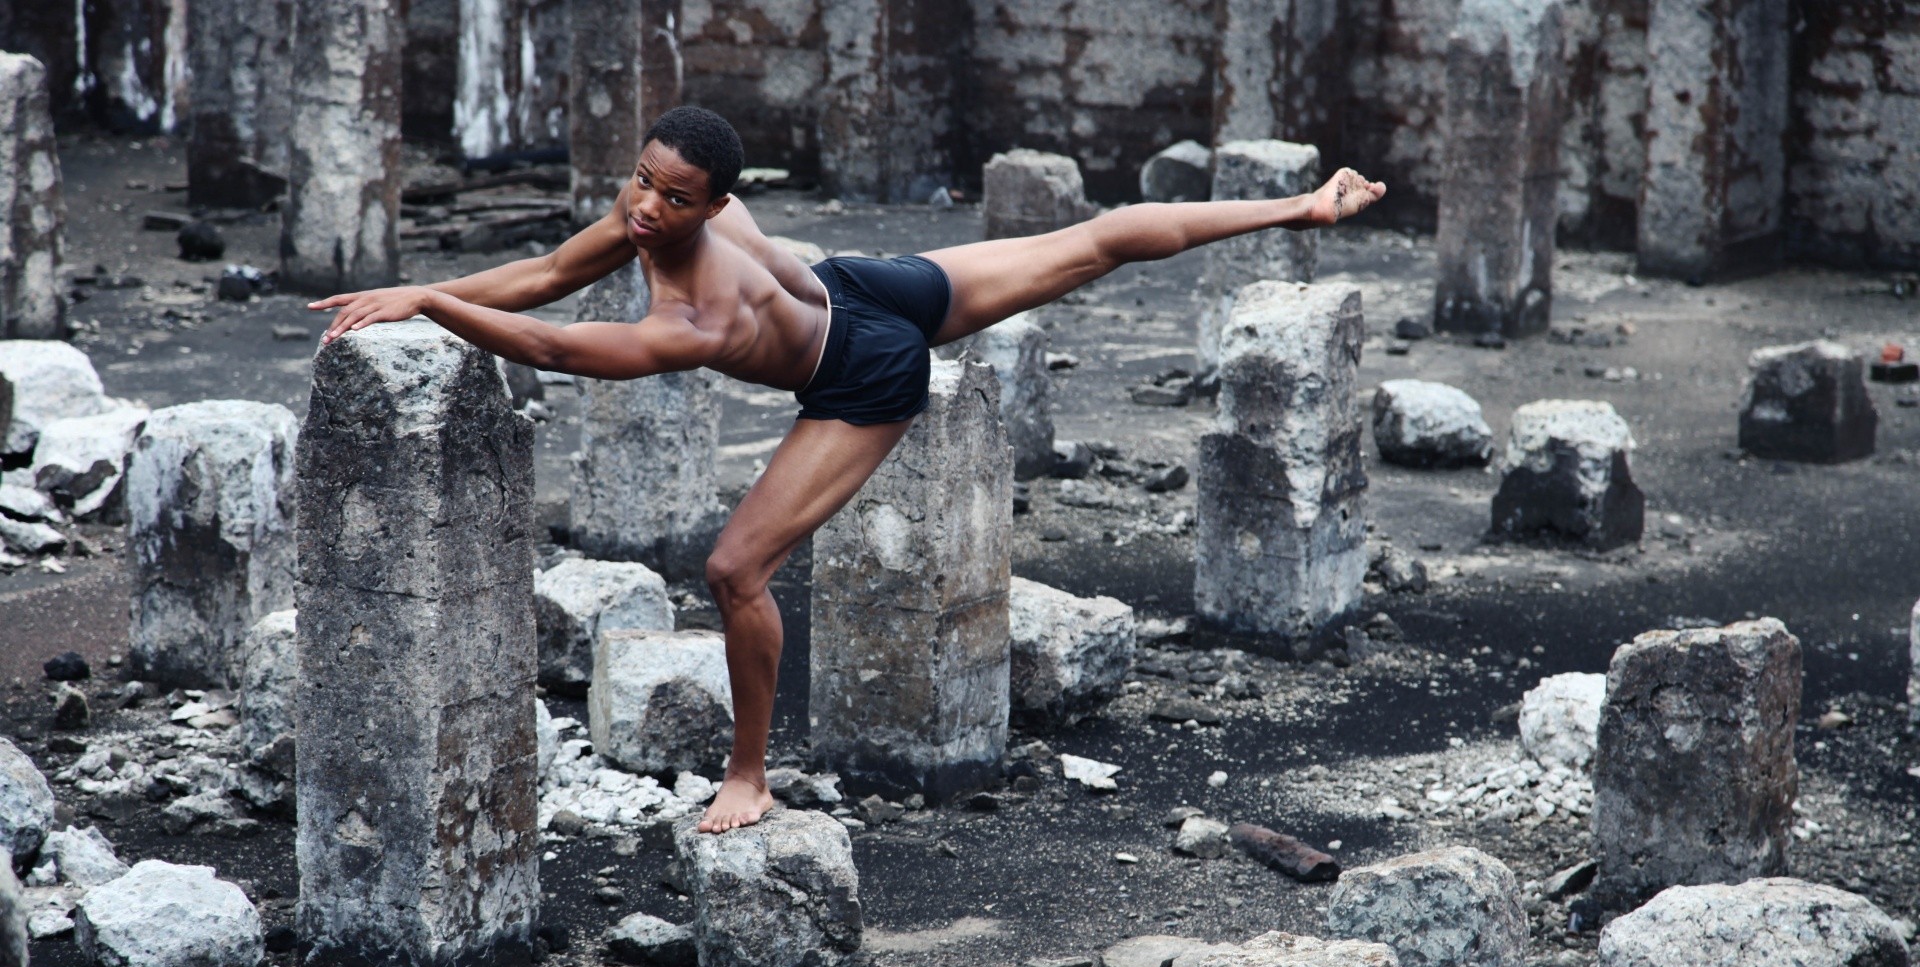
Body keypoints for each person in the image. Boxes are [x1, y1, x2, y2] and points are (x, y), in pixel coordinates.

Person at [311, 105, 1387, 835]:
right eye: (640, 183)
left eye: (673, 198)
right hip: (855, 281)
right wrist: (432, 287)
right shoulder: (678, 205)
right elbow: (550, 273)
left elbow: (546, 345)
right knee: (1094, 239)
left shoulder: (701, 315)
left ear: (715, 201)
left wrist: (435, 304)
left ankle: (749, 775)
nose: (644, 209)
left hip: (866, 360)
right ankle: (1301, 207)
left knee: (736, 571)